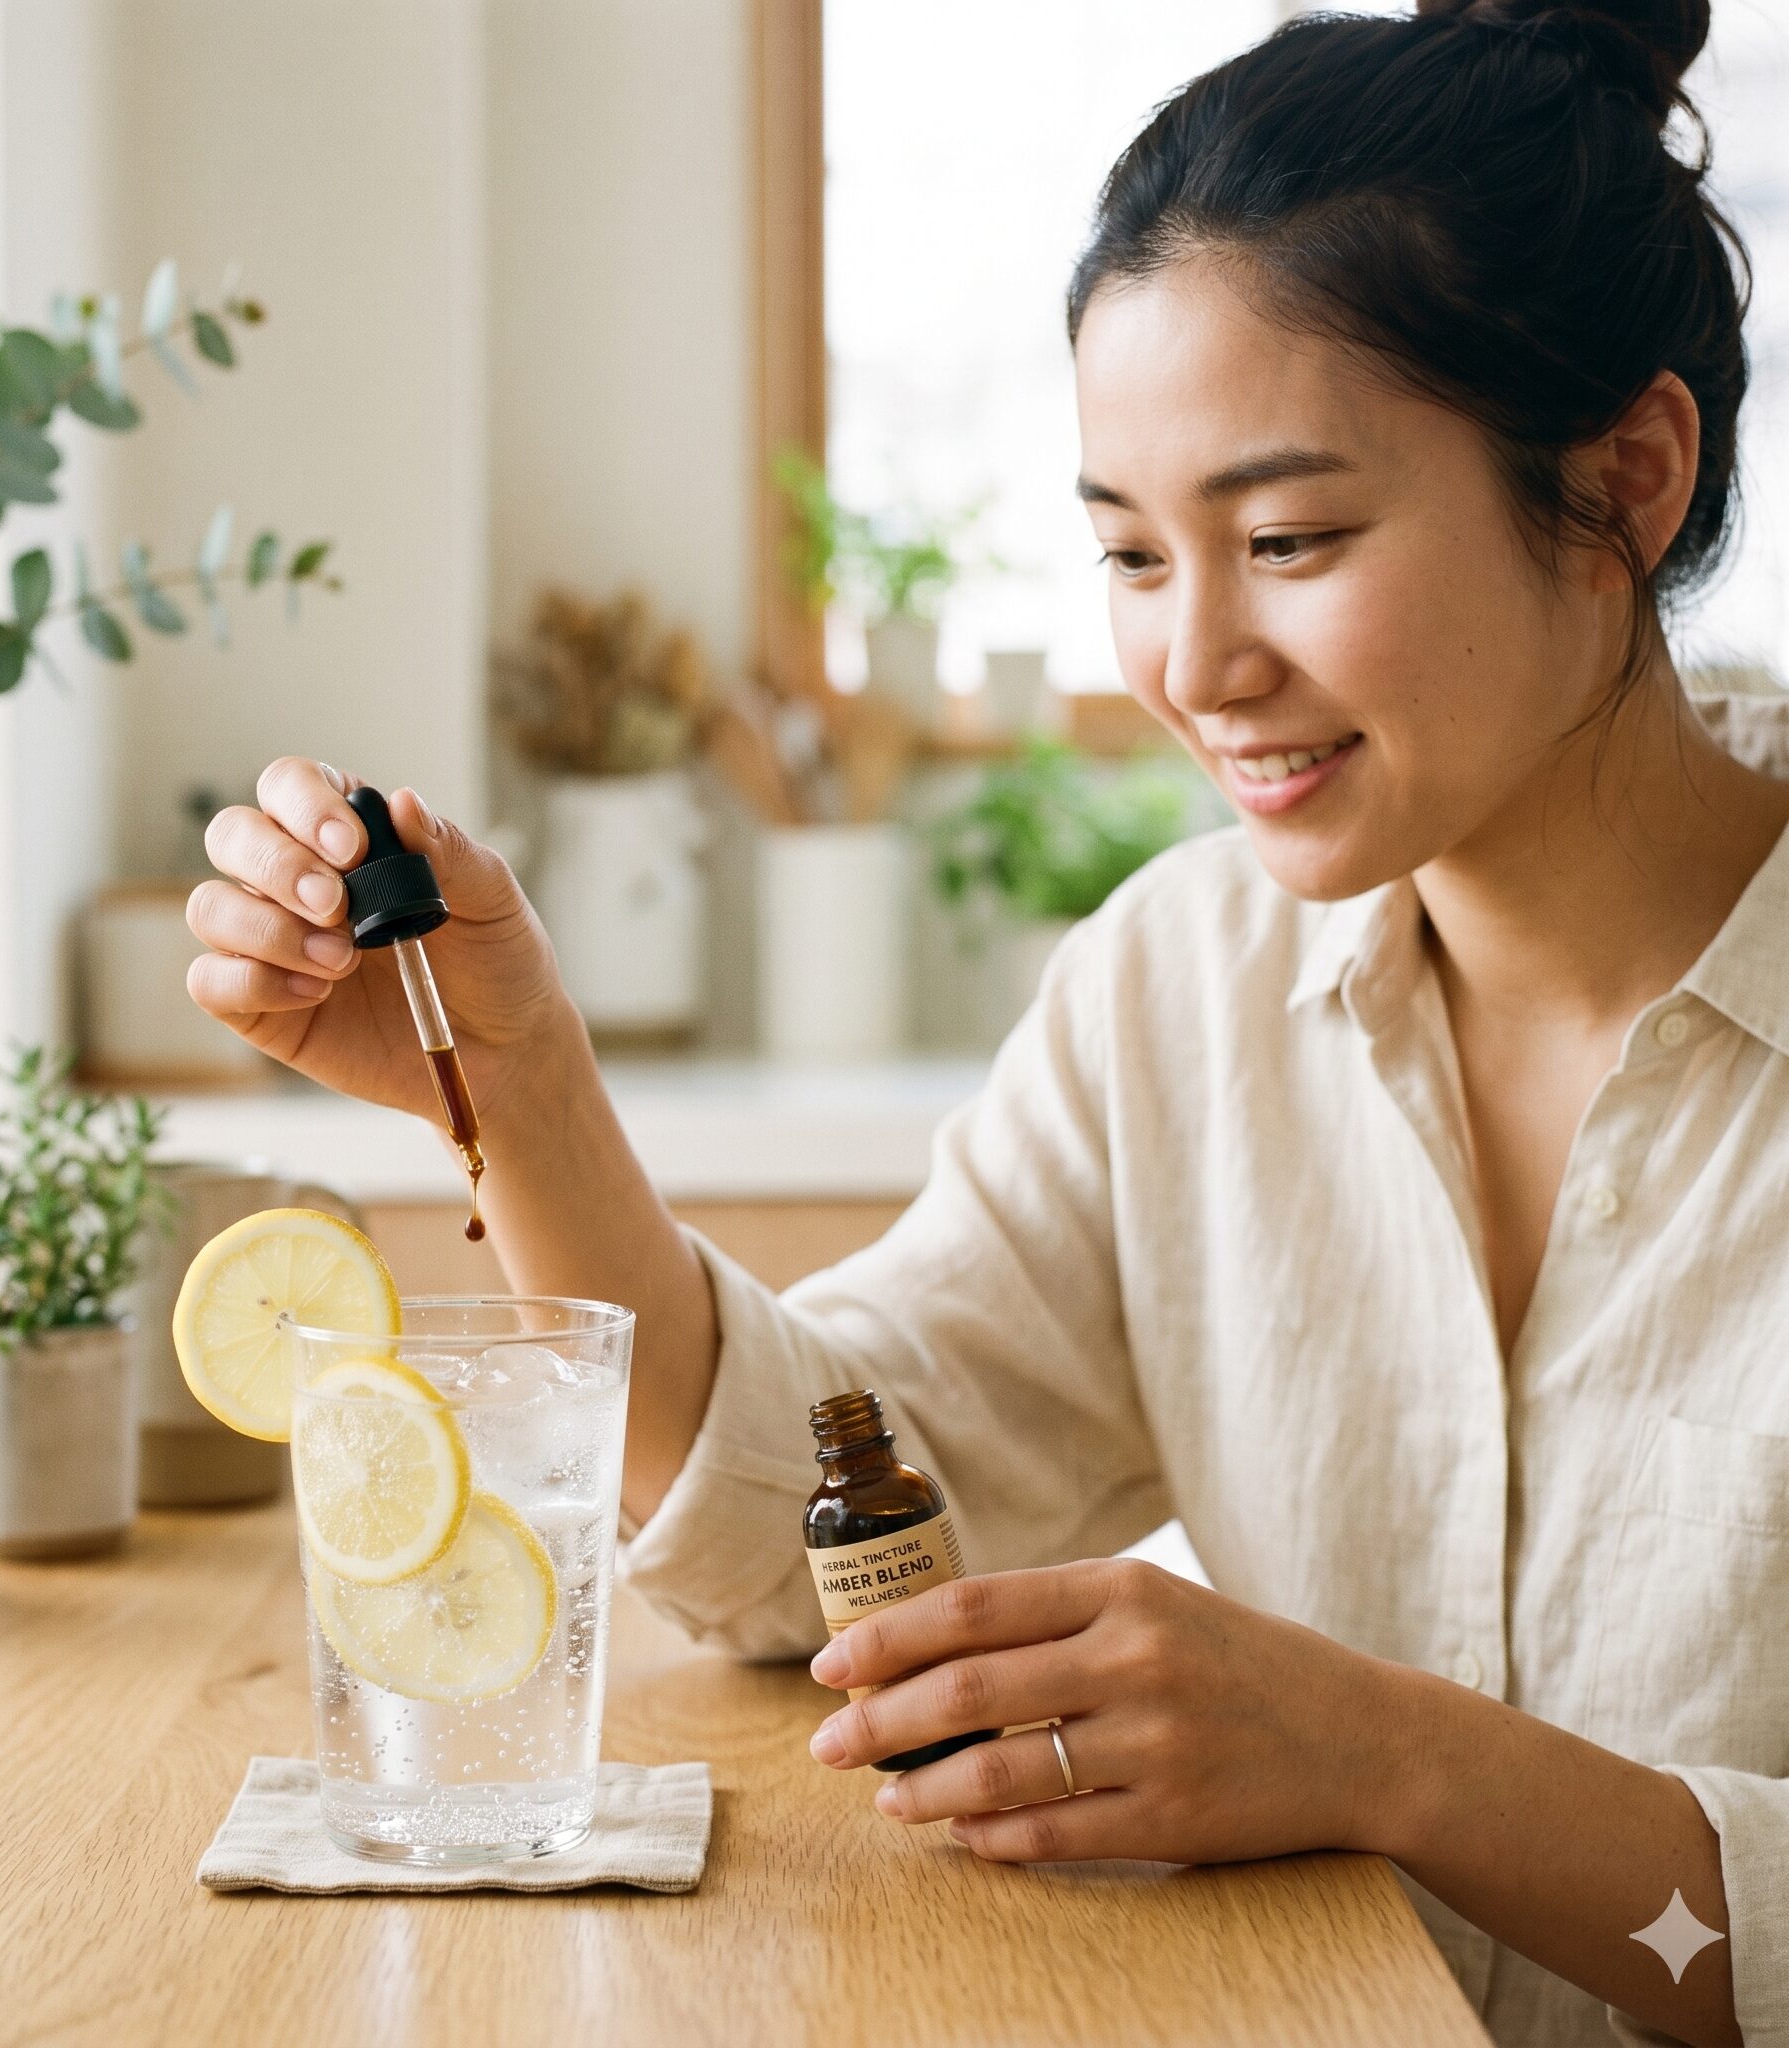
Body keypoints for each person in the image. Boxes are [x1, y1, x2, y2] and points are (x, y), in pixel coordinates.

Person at [185, 2, 1786, 2040]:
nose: (1192, 661)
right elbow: (813, 1538)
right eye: (1130, 552)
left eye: (1288, 541)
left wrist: (1391, 1757)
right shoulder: (1178, 989)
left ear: (1628, 479)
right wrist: (515, 1077)